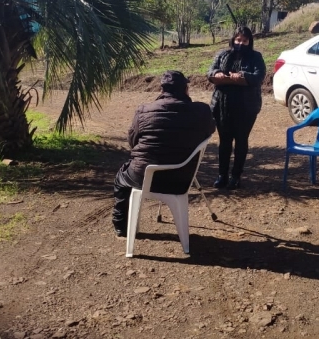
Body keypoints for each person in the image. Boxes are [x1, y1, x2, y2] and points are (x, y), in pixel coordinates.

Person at [112, 70, 215, 237]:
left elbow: (132, 142)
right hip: (181, 178)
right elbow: (209, 130)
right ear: (186, 89)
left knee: (121, 178)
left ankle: (121, 226)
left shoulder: (143, 110)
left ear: (162, 90)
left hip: (144, 177)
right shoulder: (202, 110)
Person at [207, 26, 266, 190]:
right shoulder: (222, 54)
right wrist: (217, 73)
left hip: (246, 108)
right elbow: (209, 72)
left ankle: (236, 176)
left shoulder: (256, 57)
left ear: (249, 41)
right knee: (224, 142)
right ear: (233, 40)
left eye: (244, 40)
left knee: (241, 141)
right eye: (238, 40)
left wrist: (242, 75)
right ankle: (222, 175)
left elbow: (259, 76)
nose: (241, 43)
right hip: (222, 106)